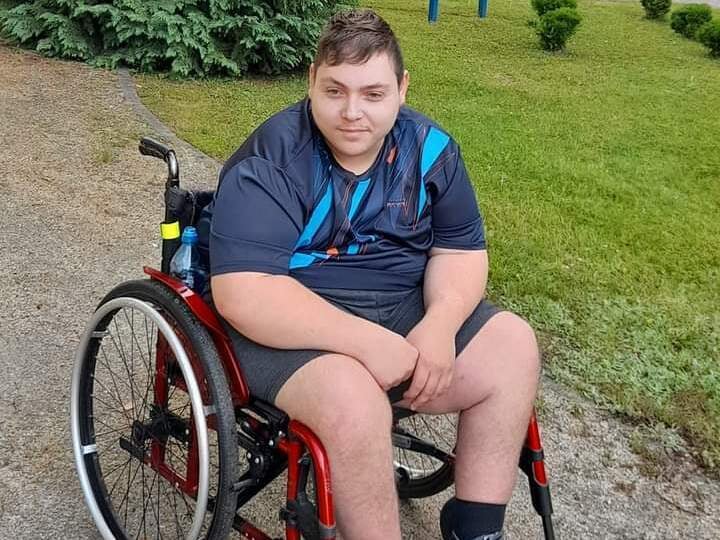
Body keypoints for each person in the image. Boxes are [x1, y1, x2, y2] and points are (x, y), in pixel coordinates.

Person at [201, 8, 539, 540]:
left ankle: (476, 527)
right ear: (311, 81)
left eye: (373, 94)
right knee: (353, 401)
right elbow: (245, 294)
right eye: (335, 91)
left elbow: (460, 252)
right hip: (290, 325)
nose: (352, 112)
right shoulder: (273, 159)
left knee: (514, 346)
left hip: (399, 303)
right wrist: (366, 343)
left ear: (402, 89)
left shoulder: (431, 150)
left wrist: (441, 324)